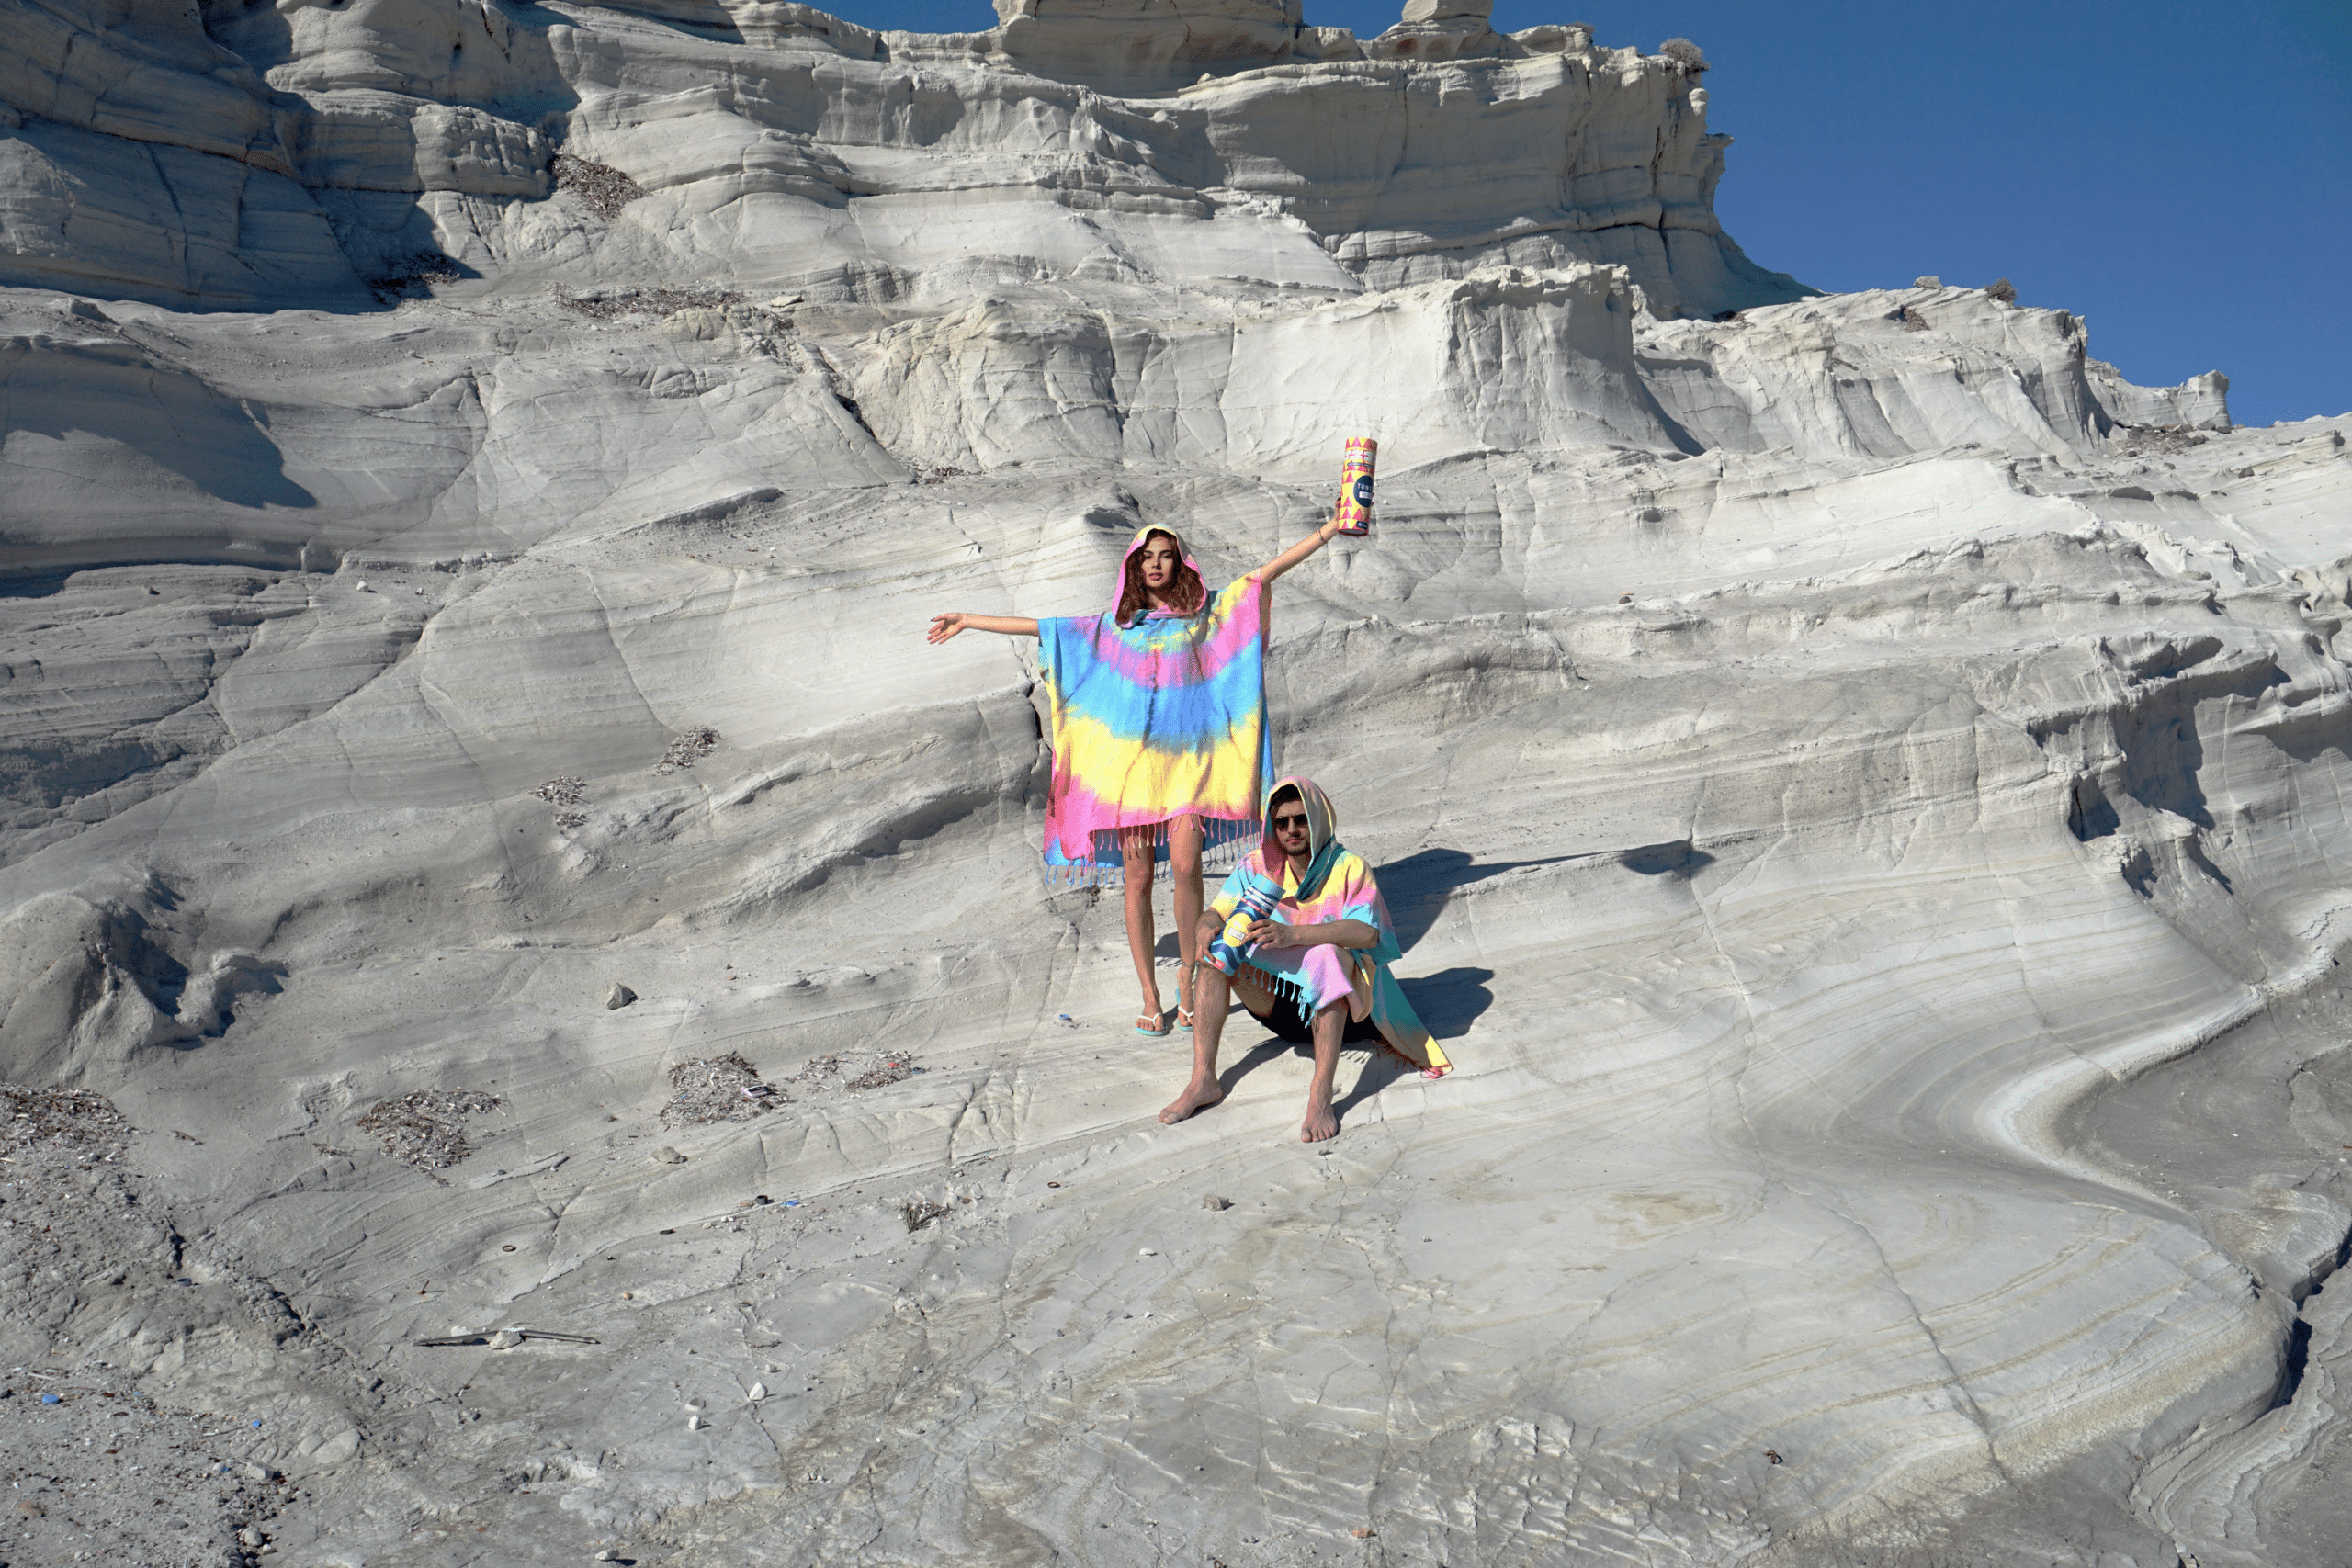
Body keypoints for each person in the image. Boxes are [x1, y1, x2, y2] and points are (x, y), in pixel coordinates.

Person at [928, 514, 1345, 1035]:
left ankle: (1189, 977)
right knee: (1139, 878)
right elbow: (1045, 629)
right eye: (1146, 557)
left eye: (1166, 555)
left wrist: (1329, 530)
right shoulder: (1113, 628)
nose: (1155, 564)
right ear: (1132, 564)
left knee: (1189, 868)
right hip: (1131, 778)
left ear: (1181, 562)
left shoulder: (1205, 615)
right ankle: (1149, 990)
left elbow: (1266, 574)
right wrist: (968, 618)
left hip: (1190, 768)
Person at [1160, 776, 1450, 1143]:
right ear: (1272, 825)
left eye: (1301, 820)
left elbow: (1368, 934)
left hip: (1348, 1015)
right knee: (1218, 951)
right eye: (1282, 822)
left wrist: (1294, 935)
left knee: (1327, 957)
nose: (1291, 830)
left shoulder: (1349, 867)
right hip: (1283, 1009)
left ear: (1318, 819)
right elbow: (1216, 911)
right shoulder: (1256, 866)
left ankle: (1321, 1097)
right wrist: (1205, 926)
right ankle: (1203, 1079)